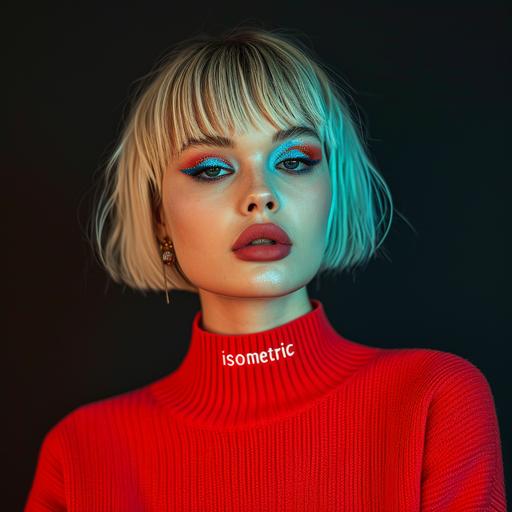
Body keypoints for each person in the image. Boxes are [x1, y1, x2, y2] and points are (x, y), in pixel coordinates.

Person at [24, 25, 507, 511]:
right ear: (158, 216)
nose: (261, 194)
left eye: (295, 160)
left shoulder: (434, 400)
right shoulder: (82, 453)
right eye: (211, 168)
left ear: (332, 189)